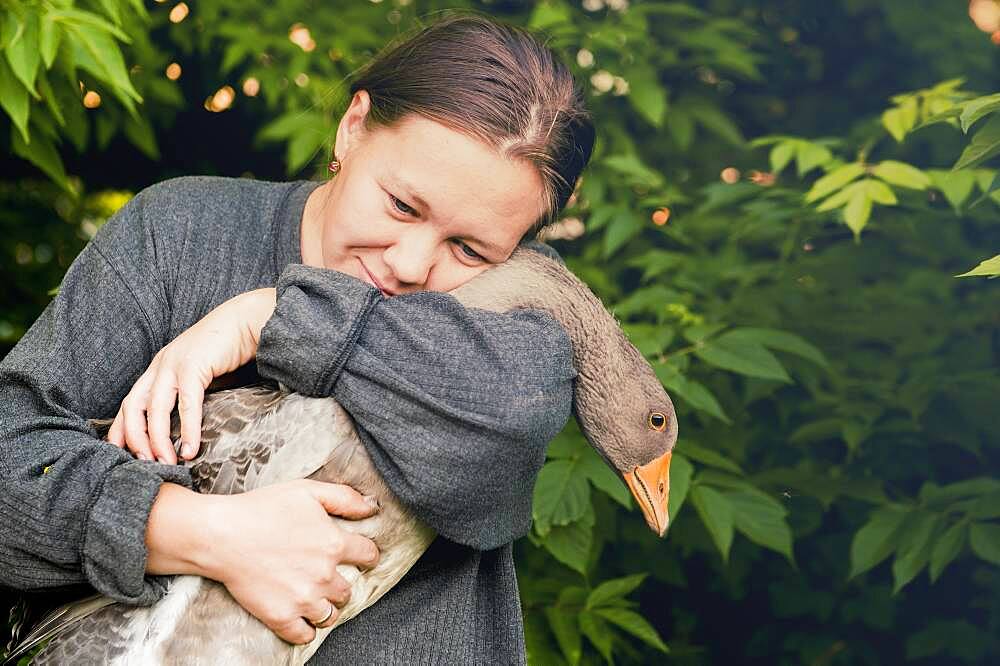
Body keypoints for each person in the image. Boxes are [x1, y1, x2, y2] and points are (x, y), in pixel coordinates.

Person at [0, 12, 595, 663]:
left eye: (471, 248)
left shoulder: (524, 322)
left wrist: (270, 317)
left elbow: (510, 416)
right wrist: (205, 533)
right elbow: (11, 456)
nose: (409, 264)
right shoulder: (181, 232)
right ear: (353, 126)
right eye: (401, 205)